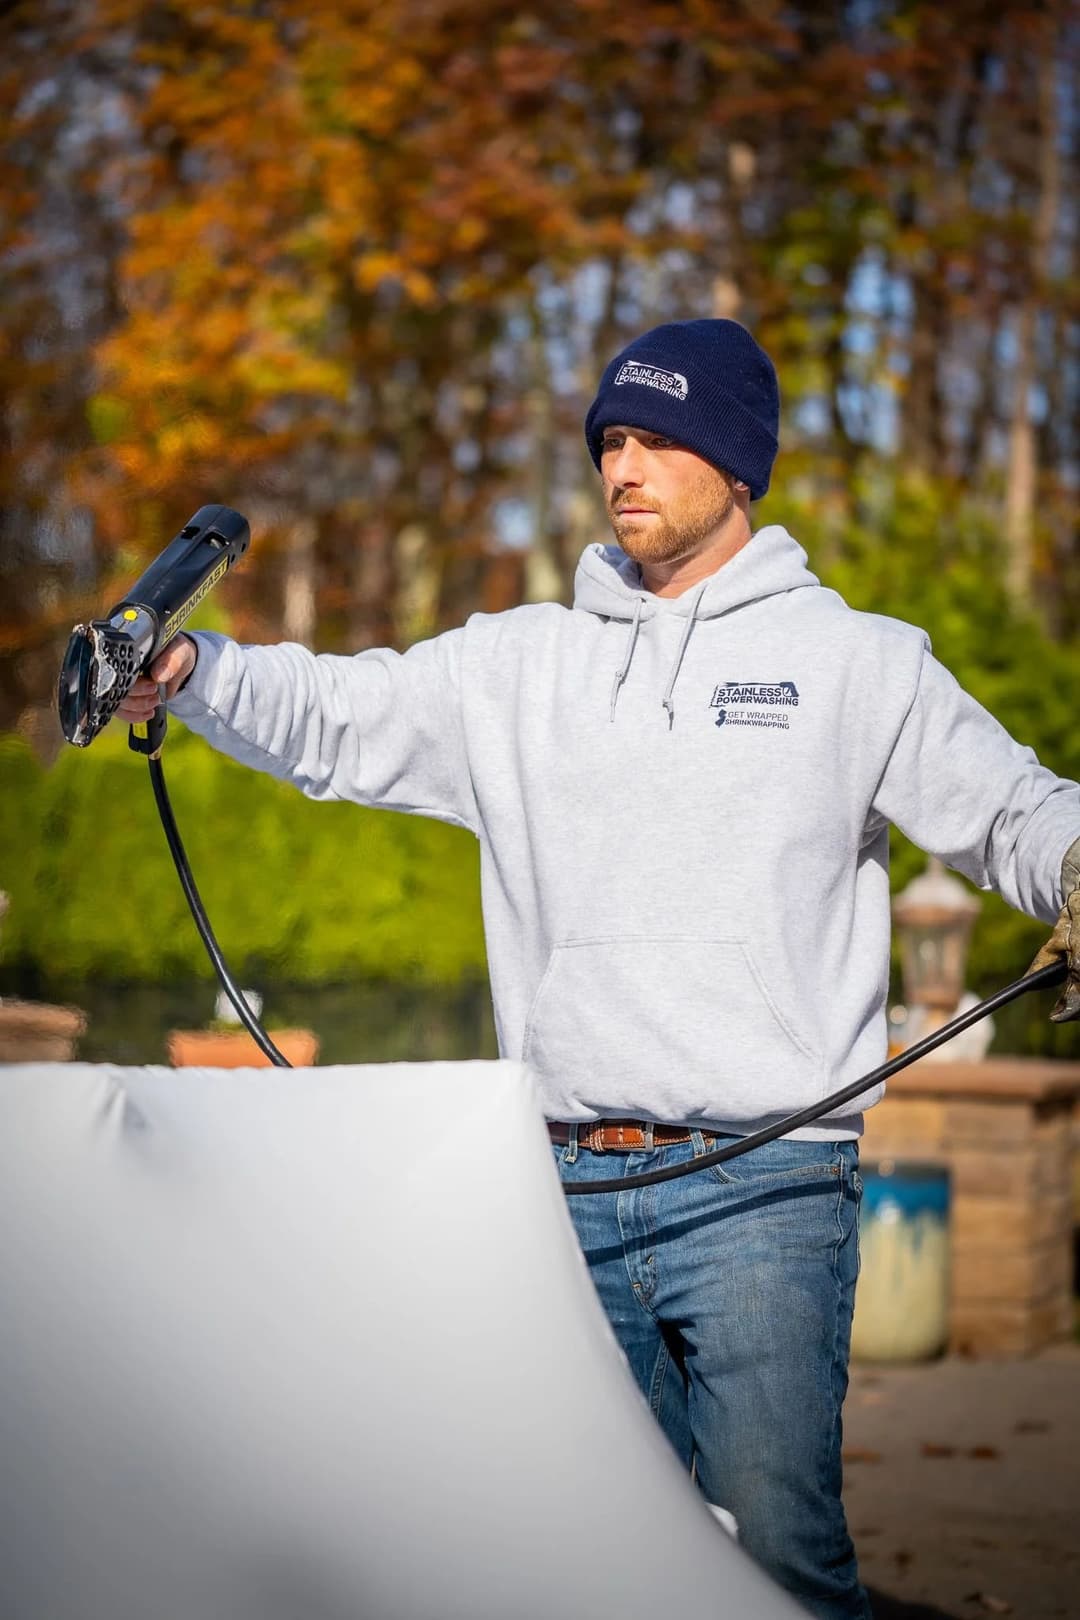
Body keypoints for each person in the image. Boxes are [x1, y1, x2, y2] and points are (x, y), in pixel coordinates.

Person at [119, 318, 1080, 1620]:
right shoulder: (521, 667)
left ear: (736, 460)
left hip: (767, 1192)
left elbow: (1014, 810)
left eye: (658, 438)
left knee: (778, 1566)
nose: (623, 467)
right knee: (586, 1576)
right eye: (611, 441)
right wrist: (194, 670)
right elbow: (340, 715)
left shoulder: (859, 666)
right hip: (562, 1189)